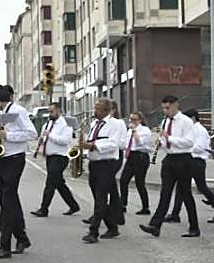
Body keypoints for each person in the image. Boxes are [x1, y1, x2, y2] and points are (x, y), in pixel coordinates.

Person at [0, 84, 37, 259]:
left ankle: (5, 246)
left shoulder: (18, 111)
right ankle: (22, 238)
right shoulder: (0, 113)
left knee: (8, 203)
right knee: (8, 201)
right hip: (3, 159)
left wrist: (7, 136)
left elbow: (32, 133)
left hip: (14, 159)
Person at [139, 95, 198, 238]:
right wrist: (161, 143)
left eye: (167, 108)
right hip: (169, 159)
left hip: (183, 159)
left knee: (186, 194)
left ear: (176, 105)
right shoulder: (165, 121)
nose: (165, 111)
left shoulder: (186, 121)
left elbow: (189, 142)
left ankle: (194, 227)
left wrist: (168, 137)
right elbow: (167, 142)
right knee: (165, 194)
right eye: (164, 108)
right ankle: (155, 225)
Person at [164, 109, 214, 228]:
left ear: (193, 118)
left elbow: (199, 147)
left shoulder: (200, 130)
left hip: (197, 161)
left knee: (201, 187)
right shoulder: (191, 129)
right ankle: (175, 214)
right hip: (189, 160)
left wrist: (183, 146)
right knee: (181, 187)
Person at [80, 98, 127, 243]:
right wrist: (84, 151)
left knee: (101, 198)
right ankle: (113, 227)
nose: (95, 111)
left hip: (107, 164)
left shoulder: (116, 124)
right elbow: (91, 140)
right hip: (94, 163)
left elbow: (114, 144)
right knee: (98, 197)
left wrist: (93, 146)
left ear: (106, 110)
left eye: (98, 109)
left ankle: (93, 232)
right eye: (95, 108)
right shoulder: (94, 123)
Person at [32, 102, 80, 217]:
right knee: (59, 183)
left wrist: (50, 135)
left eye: (52, 111)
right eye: (49, 111)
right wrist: (42, 141)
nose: (50, 114)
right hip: (50, 157)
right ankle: (73, 206)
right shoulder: (48, 123)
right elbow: (44, 136)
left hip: (60, 157)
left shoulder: (66, 124)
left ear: (59, 110)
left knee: (50, 183)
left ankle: (44, 209)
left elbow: (65, 140)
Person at [120, 112, 153, 216]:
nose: (132, 121)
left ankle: (145, 207)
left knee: (140, 182)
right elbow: (126, 143)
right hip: (131, 156)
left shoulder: (145, 130)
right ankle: (122, 205)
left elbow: (139, 142)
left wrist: (134, 130)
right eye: (131, 119)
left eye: (134, 119)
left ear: (140, 120)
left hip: (141, 157)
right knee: (123, 180)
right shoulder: (129, 130)